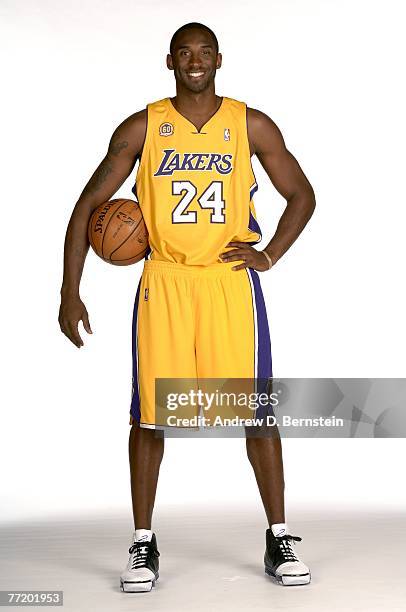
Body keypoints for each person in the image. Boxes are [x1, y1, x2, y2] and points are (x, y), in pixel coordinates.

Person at [58, 21, 316, 591]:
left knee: (256, 412)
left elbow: (303, 194)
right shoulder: (143, 127)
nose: (194, 61)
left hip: (229, 283)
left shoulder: (249, 124)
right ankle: (143, 544)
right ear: (169, 61)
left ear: (219, 60)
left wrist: (269, 254)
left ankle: (278, 537)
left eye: (204, 52)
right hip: (166, 282)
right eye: (184, 53)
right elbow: (87, 205)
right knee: (150, 415)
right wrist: (69, 289)